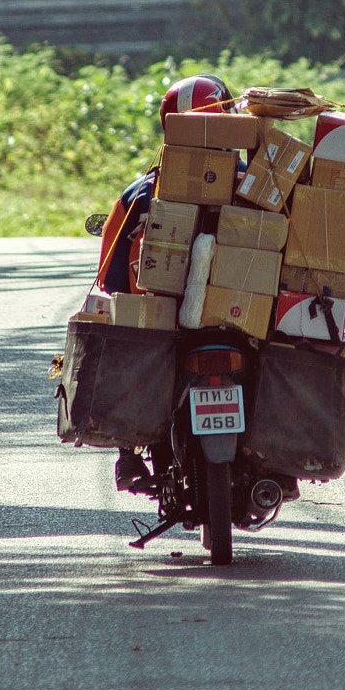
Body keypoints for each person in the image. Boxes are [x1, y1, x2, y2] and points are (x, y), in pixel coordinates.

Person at [97, 73, 237, 491]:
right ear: (230, 118)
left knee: (125, 345)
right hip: (239, 324)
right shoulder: (257, 186)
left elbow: (111, 276)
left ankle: (129, 453)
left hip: (162, 326)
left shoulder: (139, 194)